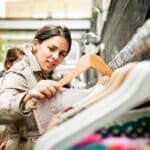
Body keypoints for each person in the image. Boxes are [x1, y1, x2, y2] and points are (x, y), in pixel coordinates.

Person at [0, 24, 72, 150]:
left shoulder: (44, 76)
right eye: (51, 49)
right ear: (36, 44)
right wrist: (26, 99)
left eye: (62, 54)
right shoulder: (19, 73)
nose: (56, 57)